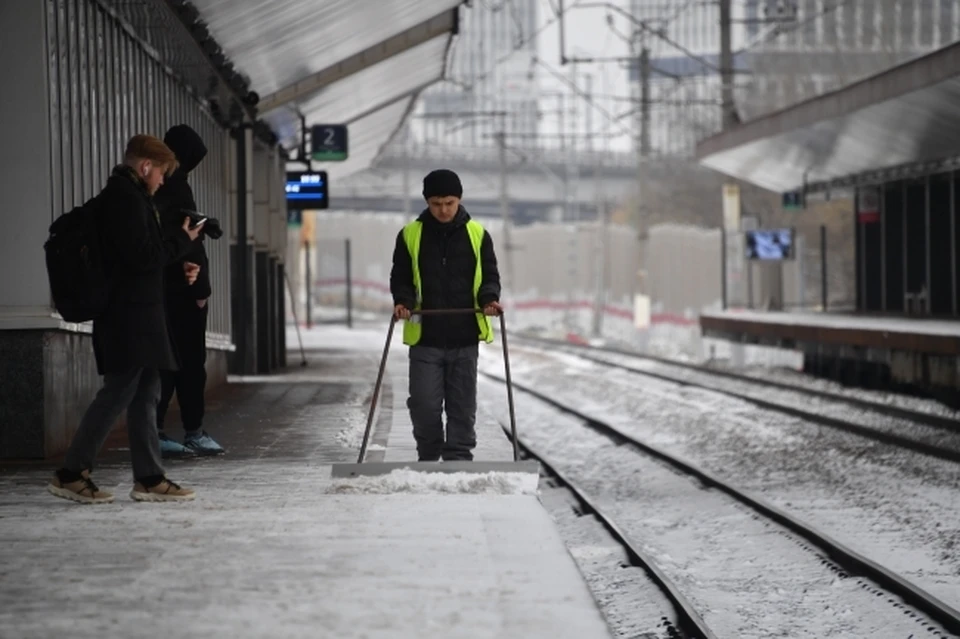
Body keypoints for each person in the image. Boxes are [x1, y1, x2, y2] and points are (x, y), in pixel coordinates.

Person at [47, 134, 204, 504]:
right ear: (146, 166)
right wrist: (182, 241)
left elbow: (139, 261)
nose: (163, 181)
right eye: (161, 173)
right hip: (127, 317)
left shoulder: (129, 198)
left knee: (147, 392)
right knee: (119, 392)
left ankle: (149, 477)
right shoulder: (124, 200)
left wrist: (179, 265)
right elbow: (143, 258)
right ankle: (72, 472)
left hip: (138, 314)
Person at [390, 169, 502, 462]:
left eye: (449, 202)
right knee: (424, 404)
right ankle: (428, 455)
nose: (443, 209)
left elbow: (489, 276)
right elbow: (401, 277)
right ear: (427, 201)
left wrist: (490, 300)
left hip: (465, 337)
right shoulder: (410, 235)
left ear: (459, 199)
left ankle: (459, 458)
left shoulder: (478, 235)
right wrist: (403, 301)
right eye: (437, 203)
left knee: (462, 405)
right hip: (425, 337)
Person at [154, 124, 225, 458]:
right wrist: (202, 289)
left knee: (168, 363)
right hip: (183, 292)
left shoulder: (155, 188)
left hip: (164, 289)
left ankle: (157, 430)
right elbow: (189, 245)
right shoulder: (176, 185)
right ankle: (190, 431)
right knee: (188, 364)